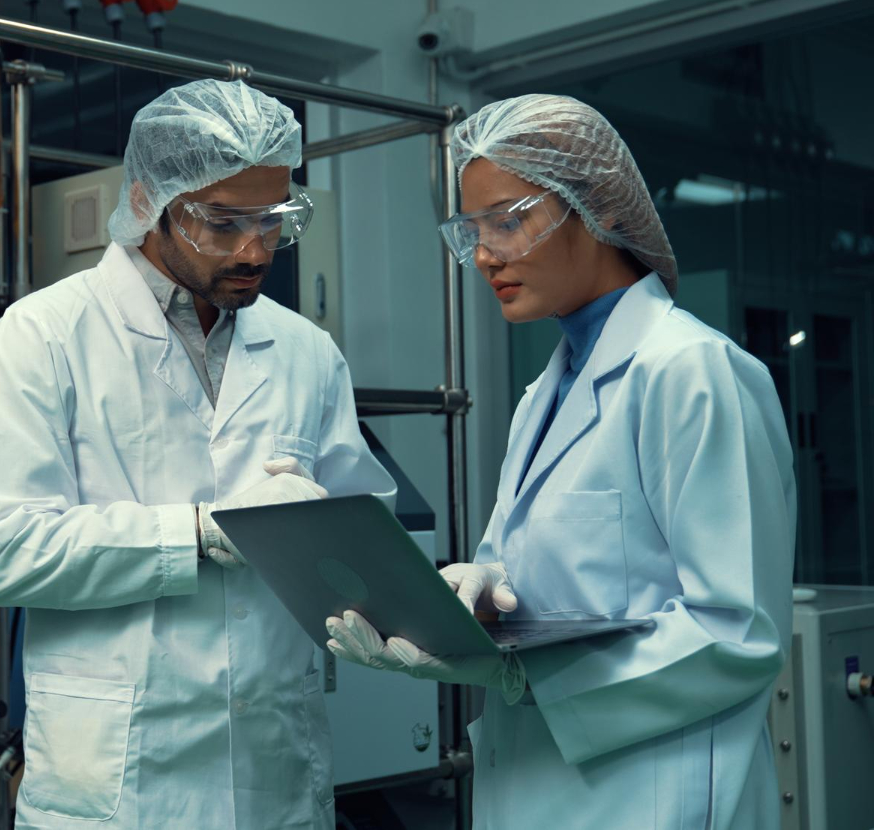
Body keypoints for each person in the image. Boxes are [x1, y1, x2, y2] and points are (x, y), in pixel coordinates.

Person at [325, 94, 795, 829]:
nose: (483, 255)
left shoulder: (689, 370)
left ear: (595, 204)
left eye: (508, 222)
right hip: (539, 784)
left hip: (653, 792)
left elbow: (736, 631)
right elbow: (539, 578)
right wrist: (473, 600)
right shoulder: (545, 390)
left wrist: (521, 673)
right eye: (471, 231)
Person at [0, 79, 396, 830]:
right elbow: (3, 553)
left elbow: (360, 530)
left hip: (273, 770)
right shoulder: (45, 336)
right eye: (223, 224)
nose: (256, 250)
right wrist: (202, 530)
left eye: (275, 221)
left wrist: (419, 597)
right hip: (120, 782)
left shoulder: (305, 352)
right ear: (146, 202)